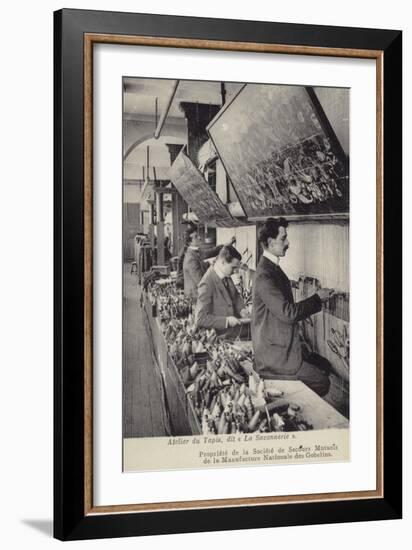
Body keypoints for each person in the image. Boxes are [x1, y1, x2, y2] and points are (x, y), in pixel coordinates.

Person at [251, 217, 334, 397]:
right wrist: (317, 299)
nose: (288, 243)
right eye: (283, 238)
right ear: (271, 242)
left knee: (324, 365)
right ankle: (293, 402)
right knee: (322, 382)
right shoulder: (265, 275)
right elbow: (288, 313)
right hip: (274, 357)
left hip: (278, 346)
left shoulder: (271, 268)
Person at [195, 245, 249, 339]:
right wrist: (226, 321)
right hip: (222, 334)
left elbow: (235, 296)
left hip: (234, 329)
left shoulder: (225, 274)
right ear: (223, 262)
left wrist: (242, 310)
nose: (235, 271)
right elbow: (200, 319)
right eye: (233, 267)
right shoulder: (207, 283)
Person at [182, 225, 235, 300]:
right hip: (195, 296)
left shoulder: (195, 252)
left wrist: (226, 245)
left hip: (198, 293)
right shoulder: (191, 258)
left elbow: (211, 252)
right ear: (190, 242)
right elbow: (200, 281)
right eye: (196, 237)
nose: (200, 238)